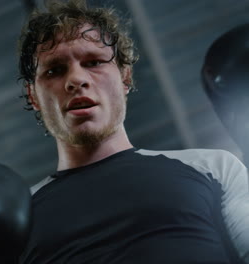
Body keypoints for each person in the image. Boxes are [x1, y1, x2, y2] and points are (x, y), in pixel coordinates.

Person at [17, 0, 249, 263]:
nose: (76, 80)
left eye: (93, 62)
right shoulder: (15, 215)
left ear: (125, 77)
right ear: (33, 96)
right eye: (55, 70)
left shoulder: (213, 167)